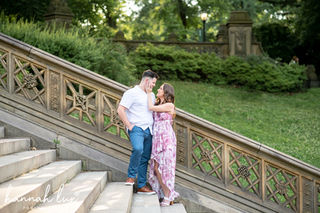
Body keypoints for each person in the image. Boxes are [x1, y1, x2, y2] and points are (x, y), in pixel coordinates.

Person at [117, 69, 159, 195]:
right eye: (153, 83)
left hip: (149, 130)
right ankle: (131, 176)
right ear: (147, 80)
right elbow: (121, 109)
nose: (154, 85)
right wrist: (129, 125)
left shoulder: (151, 95)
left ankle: (141, 185)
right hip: (137, 129)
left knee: (145, 158)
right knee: (138, 149)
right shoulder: (131, 93)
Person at [146, 83, 180, 206]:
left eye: (160, 88)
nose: (158, 89)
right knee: (156, 167)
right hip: (157, 139)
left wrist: (149, 92)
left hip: (166, 139)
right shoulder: (157, 104)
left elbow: (150, 108)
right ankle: (162, 193)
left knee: (165, 168)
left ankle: (168, 195)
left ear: (165, 92)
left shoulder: (169, 105)